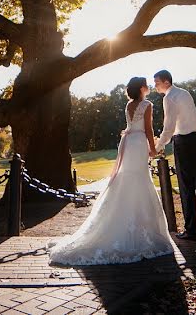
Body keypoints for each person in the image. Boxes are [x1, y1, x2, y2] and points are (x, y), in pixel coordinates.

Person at [47, 77, 175, 265]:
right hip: (138, 143)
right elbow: (148, 130)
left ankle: (119, 222)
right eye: (146, 84)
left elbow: (130, 127)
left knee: (126, 179)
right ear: (141, 88)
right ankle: (139, 229)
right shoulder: (147, 104)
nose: (148, 87)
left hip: (128, 143)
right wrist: (153, 149)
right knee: (139, 180)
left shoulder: (128, 105)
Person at [153, 69, 196, 241]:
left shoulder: (169, 97)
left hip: (183, 142)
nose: (155, 86)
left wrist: (159, 145)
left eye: (157, 82)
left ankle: (191, 230)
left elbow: (169, 127)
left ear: (166, 82)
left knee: (186, 187)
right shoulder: (184, 93)